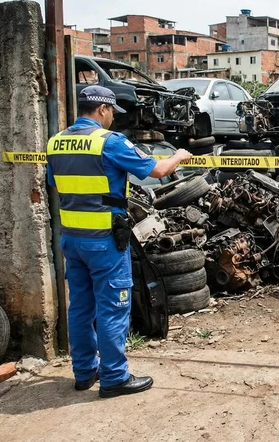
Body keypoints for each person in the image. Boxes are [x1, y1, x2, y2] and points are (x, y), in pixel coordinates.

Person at [46, 86, 192, 398]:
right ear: (102, 109)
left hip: (72, 239)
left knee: (80, 307)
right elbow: (158, 170)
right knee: (113, 307)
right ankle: (114, 377)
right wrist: (179, 155)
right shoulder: (109, 142)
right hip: (105, 241)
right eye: (112, 111)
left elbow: (55, 184)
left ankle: (85, 372)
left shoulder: (55, 142)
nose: (113, 117)